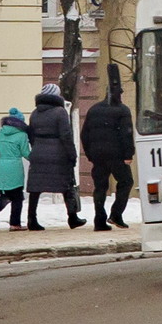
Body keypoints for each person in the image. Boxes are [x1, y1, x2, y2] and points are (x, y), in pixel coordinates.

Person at [26, 83, 86, 230]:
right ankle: (72, 218)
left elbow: (31, 135)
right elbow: (66, 135)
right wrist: (72, 155)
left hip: (39, 152)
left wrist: (38, 147)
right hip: (58, 153)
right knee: (66, 184)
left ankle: (31, 219)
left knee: (35, 188)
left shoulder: (34, 113)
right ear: (56, 96)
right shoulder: (60, 112)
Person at [81, 84, 135, 231]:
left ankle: (99, 220)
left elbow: (84, 134)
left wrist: (90, 154)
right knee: (126, 182)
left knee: (100, 187)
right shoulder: (122, 110)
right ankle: (116, 214)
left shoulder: (94, 109)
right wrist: (128, 154)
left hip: (98, 156)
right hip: (116, 156)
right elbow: (126, 134)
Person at [0, 108, 31, 231]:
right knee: (17, 197)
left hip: (2, 167)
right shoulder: (22, 135)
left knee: (6, 195)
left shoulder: (1, 133)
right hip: (14, 167)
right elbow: (25, 152)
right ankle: (15, 224)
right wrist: (35, 159)